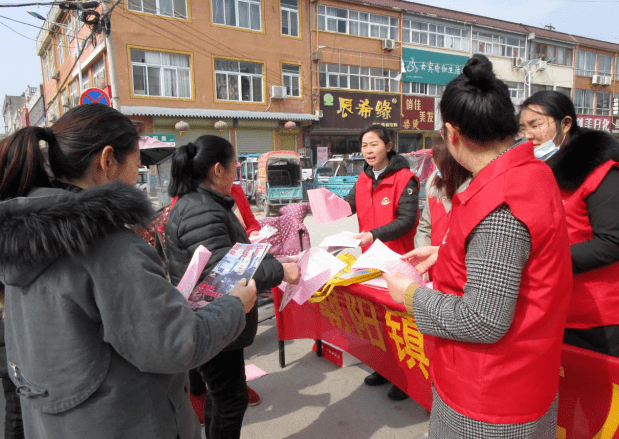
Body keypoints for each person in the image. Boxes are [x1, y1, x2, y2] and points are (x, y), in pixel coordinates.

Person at [0, 103, 257, 439]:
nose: (137, 180)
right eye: (136, 165)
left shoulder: (25, 238)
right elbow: (176, 344)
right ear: (108, 160)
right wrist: (236, 304)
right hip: (128, 419)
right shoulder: (109, 248)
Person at [384, 55, 572, 438]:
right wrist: (446, 253)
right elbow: (519, 261)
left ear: (452, 134)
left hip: (489, 400)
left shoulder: (501, 202)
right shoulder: (530, 173)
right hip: (520, 381)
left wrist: (411, 297)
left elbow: (482, 319)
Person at [165, 135, 300, 439]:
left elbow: (229, 254)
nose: (236, 173)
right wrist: (280, 270)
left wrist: (270, 258)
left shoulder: (200, 203)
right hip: (212, 317)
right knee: (231, 401)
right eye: (233, 166)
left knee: (221, 396)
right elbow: (223, 274)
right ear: (217, 170)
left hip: (214, 318)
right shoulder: (200, 209)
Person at [519, 90, 619, 357]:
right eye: (522, 128)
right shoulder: (540, 173)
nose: (528, 135)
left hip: (596, 315)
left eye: (536, 125)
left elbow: (611, 242)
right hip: (551, 306)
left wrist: (544, 259)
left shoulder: (602, 173)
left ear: (565, 124)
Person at [343, 124, 420, 401]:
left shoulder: (405, 178)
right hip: (369, 262)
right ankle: (384, 369)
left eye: (374, 144)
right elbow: (348, 205)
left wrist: (373, 234)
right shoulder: (362, 178)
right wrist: (320, 204)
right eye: (364, 145)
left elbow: (407, 221)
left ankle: (404, 378)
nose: (368, 150)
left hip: (396, 261)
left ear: (388, 146)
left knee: (399, 322)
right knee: (376, 319)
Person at [413, 138, 472, 281]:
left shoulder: (472, 193)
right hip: (433, 270)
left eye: (439, 163)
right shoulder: (433, 191)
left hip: (460, 273)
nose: (435, 167)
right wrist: (424, 258)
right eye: (434, 162)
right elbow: (424, 228)